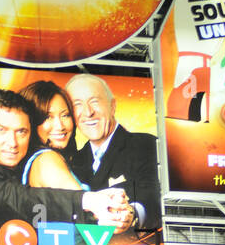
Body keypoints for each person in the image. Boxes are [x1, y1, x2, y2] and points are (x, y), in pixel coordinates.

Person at [0, 89, 135, 245]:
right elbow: (23, 200)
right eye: (1, 130)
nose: (12, 142)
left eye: (21, 131)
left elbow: (46, 230)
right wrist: (90, 202)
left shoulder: (22, 166)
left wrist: (112, 212)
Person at [66, 74, 162, 230]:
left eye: (94, 102)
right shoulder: (74, 161)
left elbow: (152, 194)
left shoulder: (145, 144)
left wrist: (132, 215)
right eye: (77, 104)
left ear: (113, 106)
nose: (88, 112)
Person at [18, 80, 84, 187]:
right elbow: (84, 202)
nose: (60, 126)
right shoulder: (47, 160)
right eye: (48, 117)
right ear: (31, 121)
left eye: (65, 115)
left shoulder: (41, 160)